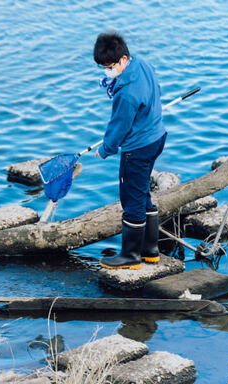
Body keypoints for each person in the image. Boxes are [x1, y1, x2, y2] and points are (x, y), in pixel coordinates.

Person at [93, 32, 167, 270]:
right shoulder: (143, 65)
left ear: (123, 59)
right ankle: (150, 251)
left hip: (138, 148)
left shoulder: (126, 92)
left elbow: (119, 126)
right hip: (157, 137)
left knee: (131, 197)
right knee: (142, 190)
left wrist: (106, 149)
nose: (108, 71)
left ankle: (130, 256)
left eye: (111, 66)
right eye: (104, 67)